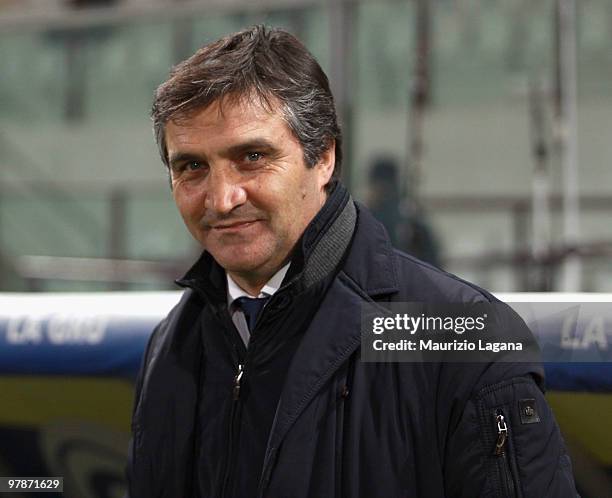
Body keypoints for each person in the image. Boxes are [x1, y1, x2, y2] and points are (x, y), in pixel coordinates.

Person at [126, 25, 577, 498]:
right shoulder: (170, 346)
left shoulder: (465, 340)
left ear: (323, 157)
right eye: (192, 167)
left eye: (252, 156)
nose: (221, 199)